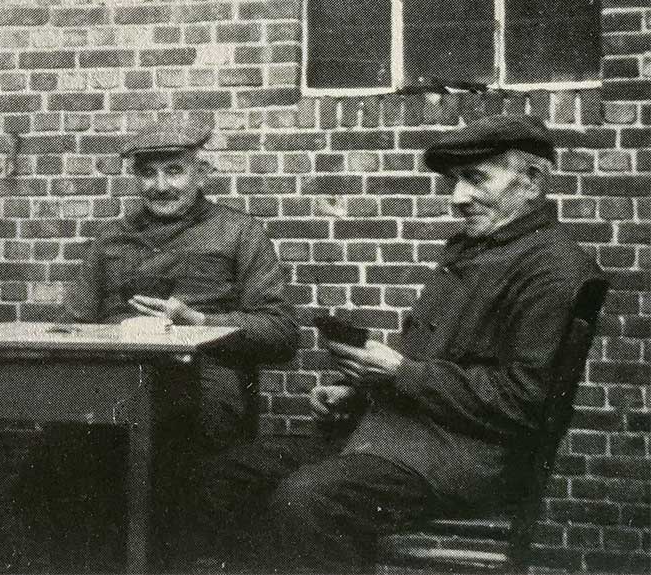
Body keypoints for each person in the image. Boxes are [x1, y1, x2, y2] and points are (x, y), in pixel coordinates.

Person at [195, 114, 604, 573]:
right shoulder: (476, 248)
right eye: (454, 181)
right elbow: (439, 364)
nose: (458, 197)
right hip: (395, 441)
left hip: (463, 462)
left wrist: (398, 373)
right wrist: (360, 390)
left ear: (531, 182)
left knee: (308, 500)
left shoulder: (553, 269)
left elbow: (524, 400)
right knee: (229, 475)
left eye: (475, 179)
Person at [20, 119, 298, 571]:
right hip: (115, 384)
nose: (161, 185)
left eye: (174, 171)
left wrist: (197, 321)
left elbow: (281, 332)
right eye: (148, 174)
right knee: (47, 471)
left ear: (201, 173)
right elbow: (72, 324)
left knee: (168, 490)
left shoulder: (239, 233)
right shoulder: (110, 240)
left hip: (204, 387)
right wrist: (111, 337)